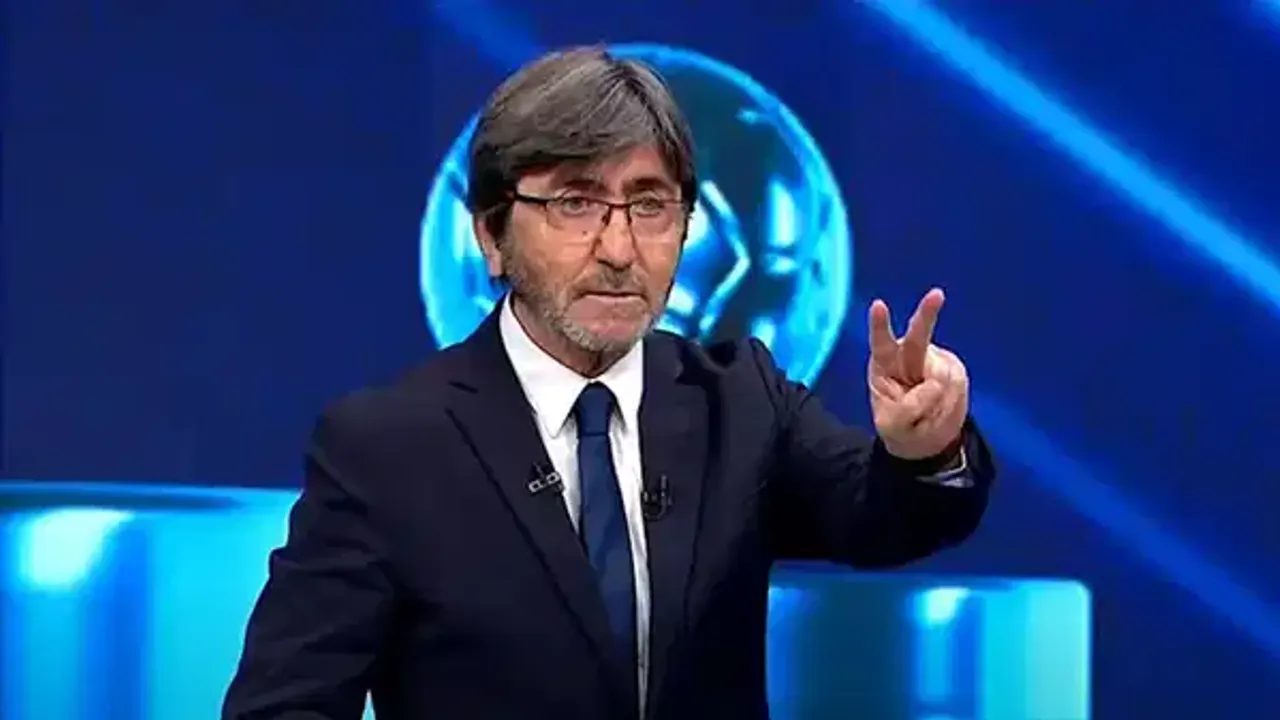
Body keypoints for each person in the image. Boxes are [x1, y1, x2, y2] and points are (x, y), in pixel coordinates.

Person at [222, 46, 995, 720]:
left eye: (650, 205)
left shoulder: (740, 402)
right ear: (491, 234)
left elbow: (884, 519)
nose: (619, 249)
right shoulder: (388, 448)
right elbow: (284, 704)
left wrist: (926, 450)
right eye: (575, 203)